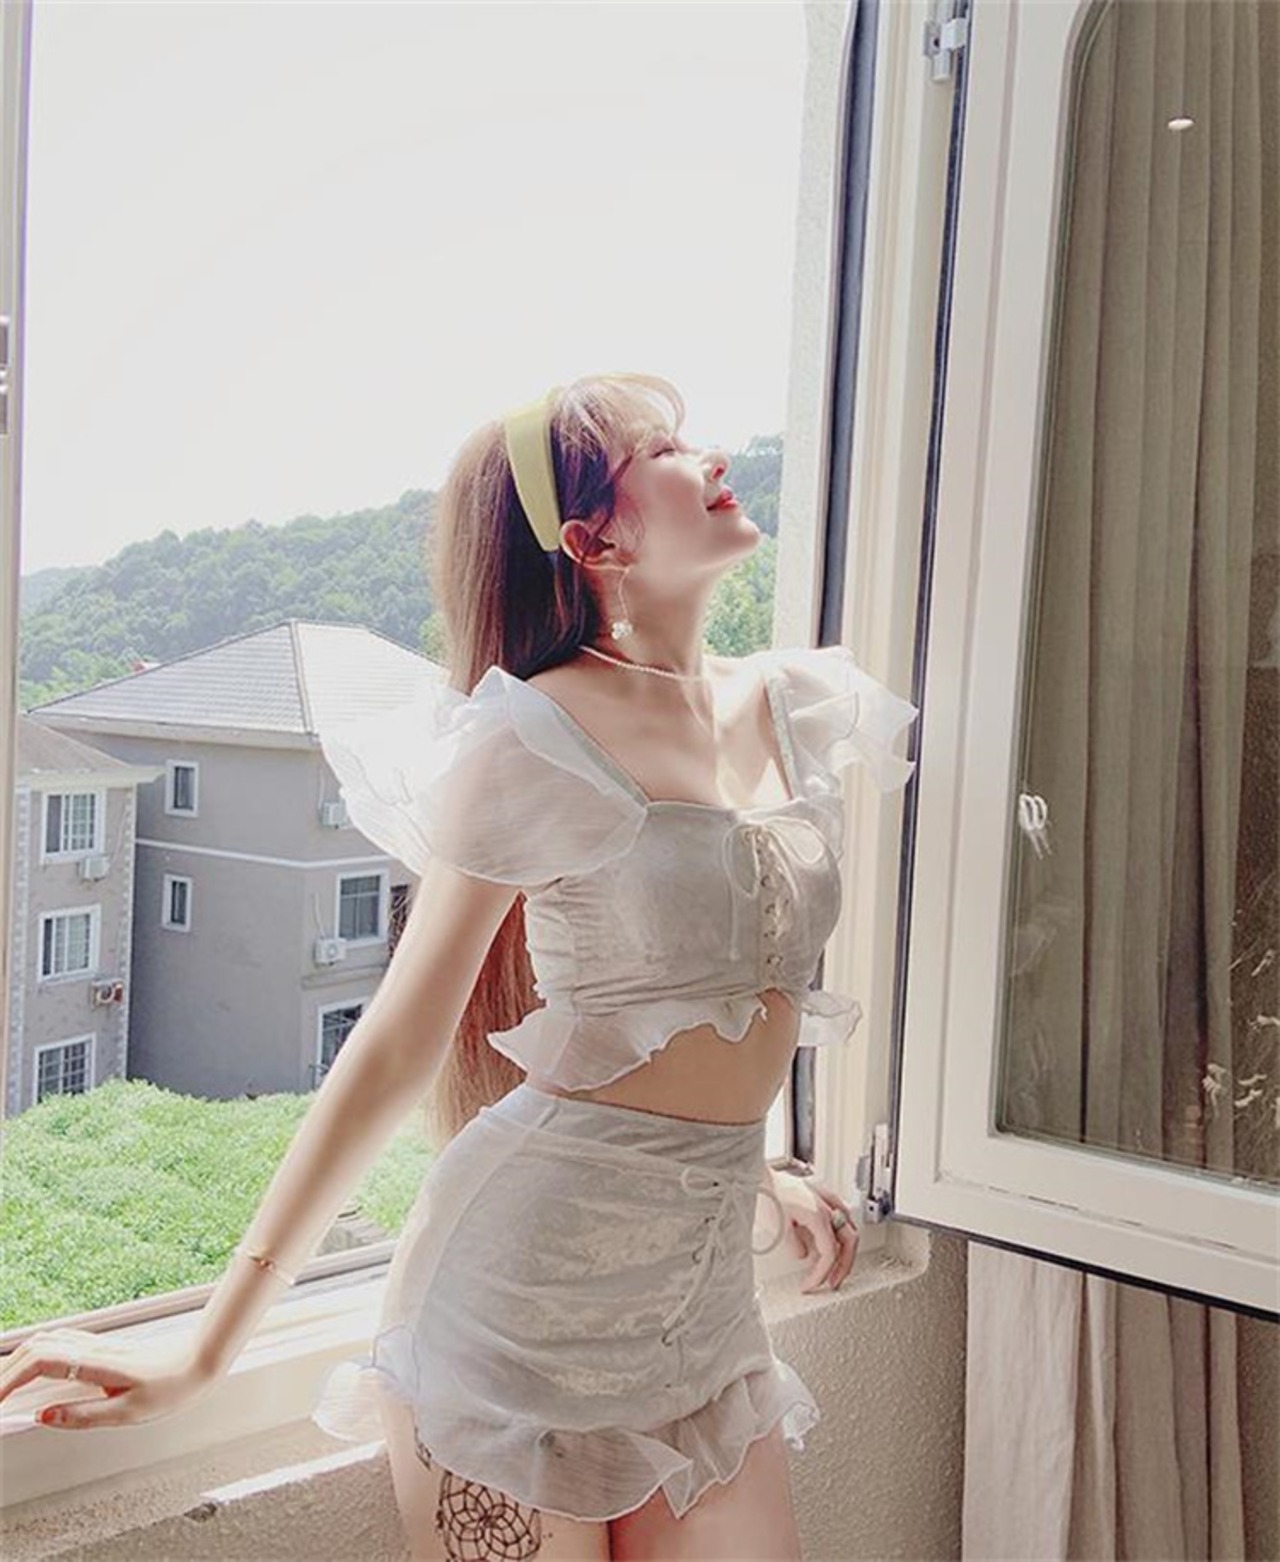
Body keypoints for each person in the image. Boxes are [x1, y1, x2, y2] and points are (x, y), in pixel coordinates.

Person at [4, 372, 919, 1561]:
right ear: (591, 540)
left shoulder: (789, 703)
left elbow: (727, 990)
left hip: (703, 1318)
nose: (709, 457)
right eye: (661, 449)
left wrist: (750, 1168)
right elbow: (395, 1044)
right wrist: (207, 1345)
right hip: (515, 1316)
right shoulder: (534, 734)